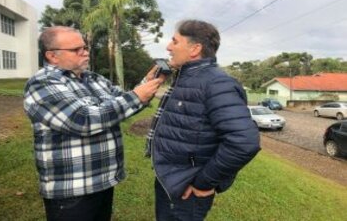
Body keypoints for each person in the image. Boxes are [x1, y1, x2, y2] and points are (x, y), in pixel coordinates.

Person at [24, 26, 163, 221]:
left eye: (85, 47)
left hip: (102, 182)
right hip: (72, 189)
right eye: (76, 49)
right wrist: (137, 96)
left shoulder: (93, 79)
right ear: (52, 56)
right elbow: (83, 120)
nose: (85, 52)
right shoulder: (42, 83)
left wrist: (145, 85)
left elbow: (123, 101)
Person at [146, 20, 261, 220]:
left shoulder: (217, 83)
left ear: (195, 48)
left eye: (175, 41)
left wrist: (204, 182)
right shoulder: (185, 77)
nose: (168, 47)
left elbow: (244, 142)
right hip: (171, 180)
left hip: (187, 189)